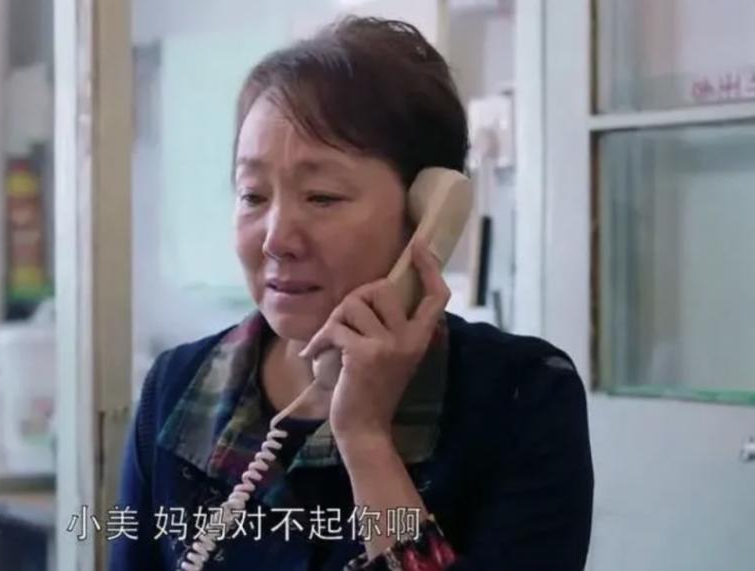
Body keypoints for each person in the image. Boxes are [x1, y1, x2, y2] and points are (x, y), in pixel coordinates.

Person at [111, 16, 593, 571]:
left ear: (426, 214)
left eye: (322, 197)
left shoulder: (522, 395)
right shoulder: (177, 390)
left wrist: (366, 441)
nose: (276, 239)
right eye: (253, 195)